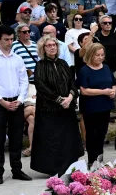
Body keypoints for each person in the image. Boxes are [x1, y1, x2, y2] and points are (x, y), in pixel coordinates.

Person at [0, 25, 31, 184]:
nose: (9, 42)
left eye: (11, 39)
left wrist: (21, 99)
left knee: (17, 138)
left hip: (16, 102)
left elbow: (24, 81)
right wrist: (1, 101)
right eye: (6, 39)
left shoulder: (17, 58)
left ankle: (16, 169)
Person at [31, 35, 83, 175]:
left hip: (67, 108)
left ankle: (70, 164)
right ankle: (53, 168)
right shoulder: (40, 65)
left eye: (54, 45)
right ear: (43, 48)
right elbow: (41, 87)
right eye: (49, 45)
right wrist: (60, 100)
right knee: (52, 139)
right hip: (49, 109)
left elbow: (72, 83)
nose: (52, 47)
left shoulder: (63, 63)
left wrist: (70, 97)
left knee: (67, 137)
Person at [77, 43, 116, 167]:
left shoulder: (106, 68)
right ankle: (92, 159)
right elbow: (84, 90)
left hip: (105, 106)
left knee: (101, 133)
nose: (100, 57)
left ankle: (100, 158)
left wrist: (113, 91)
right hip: (90, 107)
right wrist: (103, 92)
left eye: (102, 55)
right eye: (97, 55)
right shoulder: (85, 70)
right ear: (90, 55)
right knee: (91, 133)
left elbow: (113, 83)